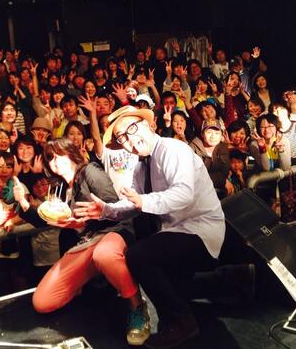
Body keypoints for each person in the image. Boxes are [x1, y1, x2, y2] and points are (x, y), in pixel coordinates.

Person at [75, 105, 225, 348]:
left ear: (148, 125)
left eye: (132, 129)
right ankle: (233, 280)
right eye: (122, 138)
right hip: (175, 230)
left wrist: (143, 201)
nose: (129, 140)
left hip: (199, 231)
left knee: (138, 256)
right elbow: (134, 202)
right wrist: (105, 210)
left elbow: (183, 194)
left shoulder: (172, 149)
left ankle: (182, 322)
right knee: (170, 277)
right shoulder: (140, 165)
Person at [13, 138, 150, 346]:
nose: (54, 161)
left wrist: (87, 220)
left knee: (104, 254)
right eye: (50, 158)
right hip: (87, 243)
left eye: (58, 155)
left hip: (112, 233)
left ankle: (137, 306)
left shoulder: (90, 172)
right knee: (42, 301)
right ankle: (94, 280)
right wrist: (23, 202)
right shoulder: (60, 187)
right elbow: (47, 218)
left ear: (71, 153)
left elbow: (116, 210)